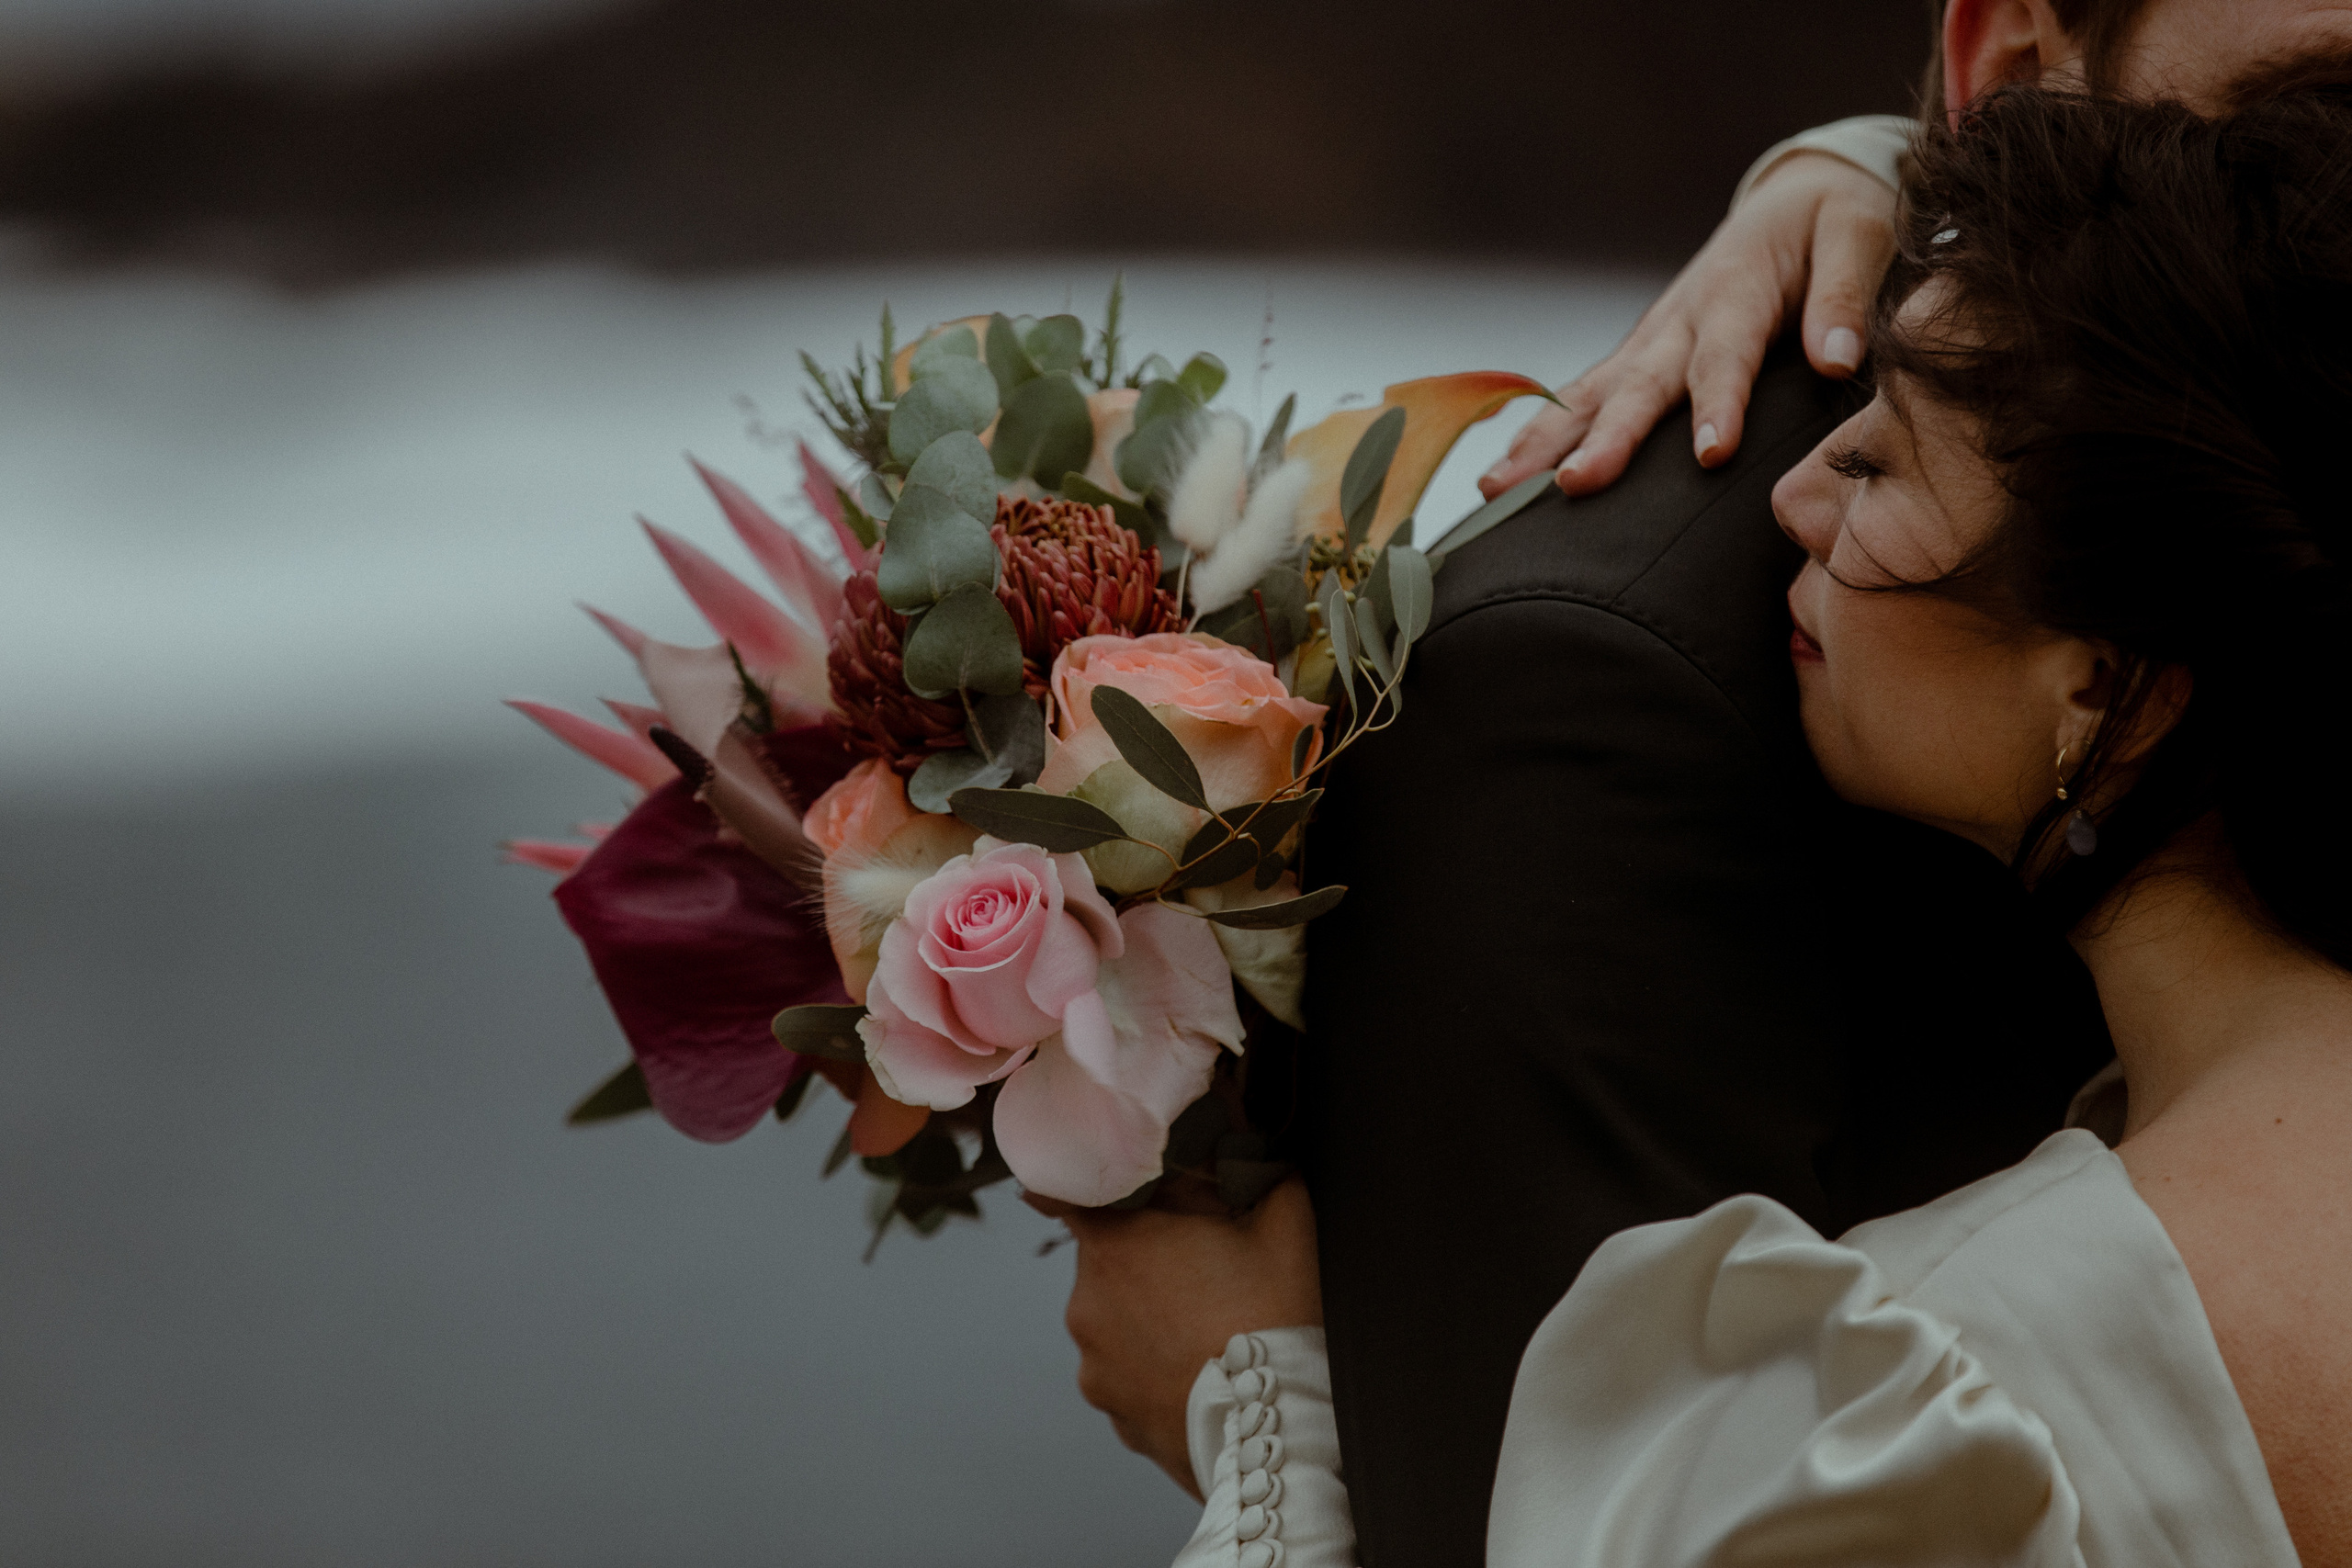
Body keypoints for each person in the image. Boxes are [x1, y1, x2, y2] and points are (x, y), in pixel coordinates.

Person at [1039, 6, 2352, 1564]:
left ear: (2107, 681)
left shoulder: (1928, 1402)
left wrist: (1265, 1426)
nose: (1798, 487)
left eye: (1882, 468)